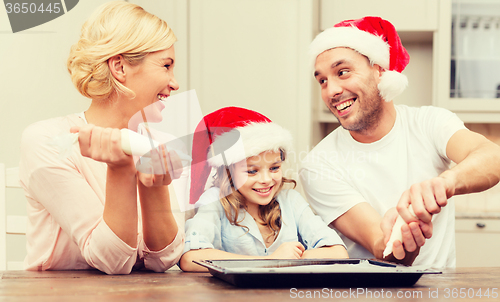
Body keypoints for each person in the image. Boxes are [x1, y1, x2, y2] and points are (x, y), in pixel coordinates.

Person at [300, 16, 500, 268]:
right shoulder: (317, 165)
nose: (331, 91)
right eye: (322, 81)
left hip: (440, 288)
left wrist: (444, 184)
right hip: (363, 292)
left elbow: (492, 157)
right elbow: (380, 244)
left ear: (380, 71)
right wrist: (401, 242)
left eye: (342, 72)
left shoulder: (430, 122)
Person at [19, 1, 185, 274]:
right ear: (119, 67)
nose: (175, 83)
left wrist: (153, 187)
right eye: (166, 66)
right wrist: (120, 168)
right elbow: (111, 261)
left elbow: (163, 260)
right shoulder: (46, 140)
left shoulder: (158, 144)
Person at [179, 107, 348, 272]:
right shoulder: (214, 201)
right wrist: (270, 261)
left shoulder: (291, 201)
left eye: (274, 168)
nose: (267, 180)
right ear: (228, 172)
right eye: (252, 171)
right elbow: (190, 258)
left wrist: (293, 258)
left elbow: (338, 252)